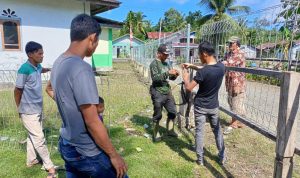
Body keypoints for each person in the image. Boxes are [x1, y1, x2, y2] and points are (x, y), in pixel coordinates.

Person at [45, 14, 128, 178]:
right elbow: (92, 121)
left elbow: (50, 89)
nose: (96, 46)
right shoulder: (81, 68)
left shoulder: (58, 62)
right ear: (92, 38)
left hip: (67, 144)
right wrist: (113, 155)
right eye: (97, 42)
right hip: (86, 152)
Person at [14, 41, 56, 178]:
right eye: (40, 53)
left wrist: (49, 69)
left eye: (42, 53)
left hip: (38, 108)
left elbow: (41, 70)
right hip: (27, 111)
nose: (42, 56)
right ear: (30, 54)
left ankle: (31, 160)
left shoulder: (37, 66)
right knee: (39, 138)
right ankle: (49, 166)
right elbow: (17, 90)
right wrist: (19, 108)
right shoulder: (24, 69)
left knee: (32, 136)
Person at [182, 41, 226, 166]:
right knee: (217, 131)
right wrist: (192, 66)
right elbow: (208, 68)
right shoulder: (221, 67)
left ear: (205, 54)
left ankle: (200, 160)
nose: (199, 57)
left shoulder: (203, 72)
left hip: (201, 106)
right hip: (214, 107)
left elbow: (189, 88)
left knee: (199, 132)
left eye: (200, 54)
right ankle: (222, 156)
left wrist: (185, 77)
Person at [149, 44, 179, 142]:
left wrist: (175, 75)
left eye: (167, 54)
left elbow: (171, 77)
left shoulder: (167, 63)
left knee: (173, 111)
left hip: (167, 91)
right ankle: (156, 133)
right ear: (159, 54)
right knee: (158, 114)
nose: (167, 56)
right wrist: (167, 73)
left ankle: (170, 130)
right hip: (157, 91)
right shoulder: (154, 64)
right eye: (165, 54)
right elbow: (155, 78)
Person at [223, 36, 246, 135]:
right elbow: (224, 62)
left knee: (236, 100)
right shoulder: (228, 54)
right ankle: (240, 121)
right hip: (229, 80)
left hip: (237, 82)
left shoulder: (240, 54)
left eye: (231, 43)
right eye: (229, 43)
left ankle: (234, 123)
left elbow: (229, 63)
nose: (229, 45)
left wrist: (219, 64)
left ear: (237, 44)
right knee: (230, 100)